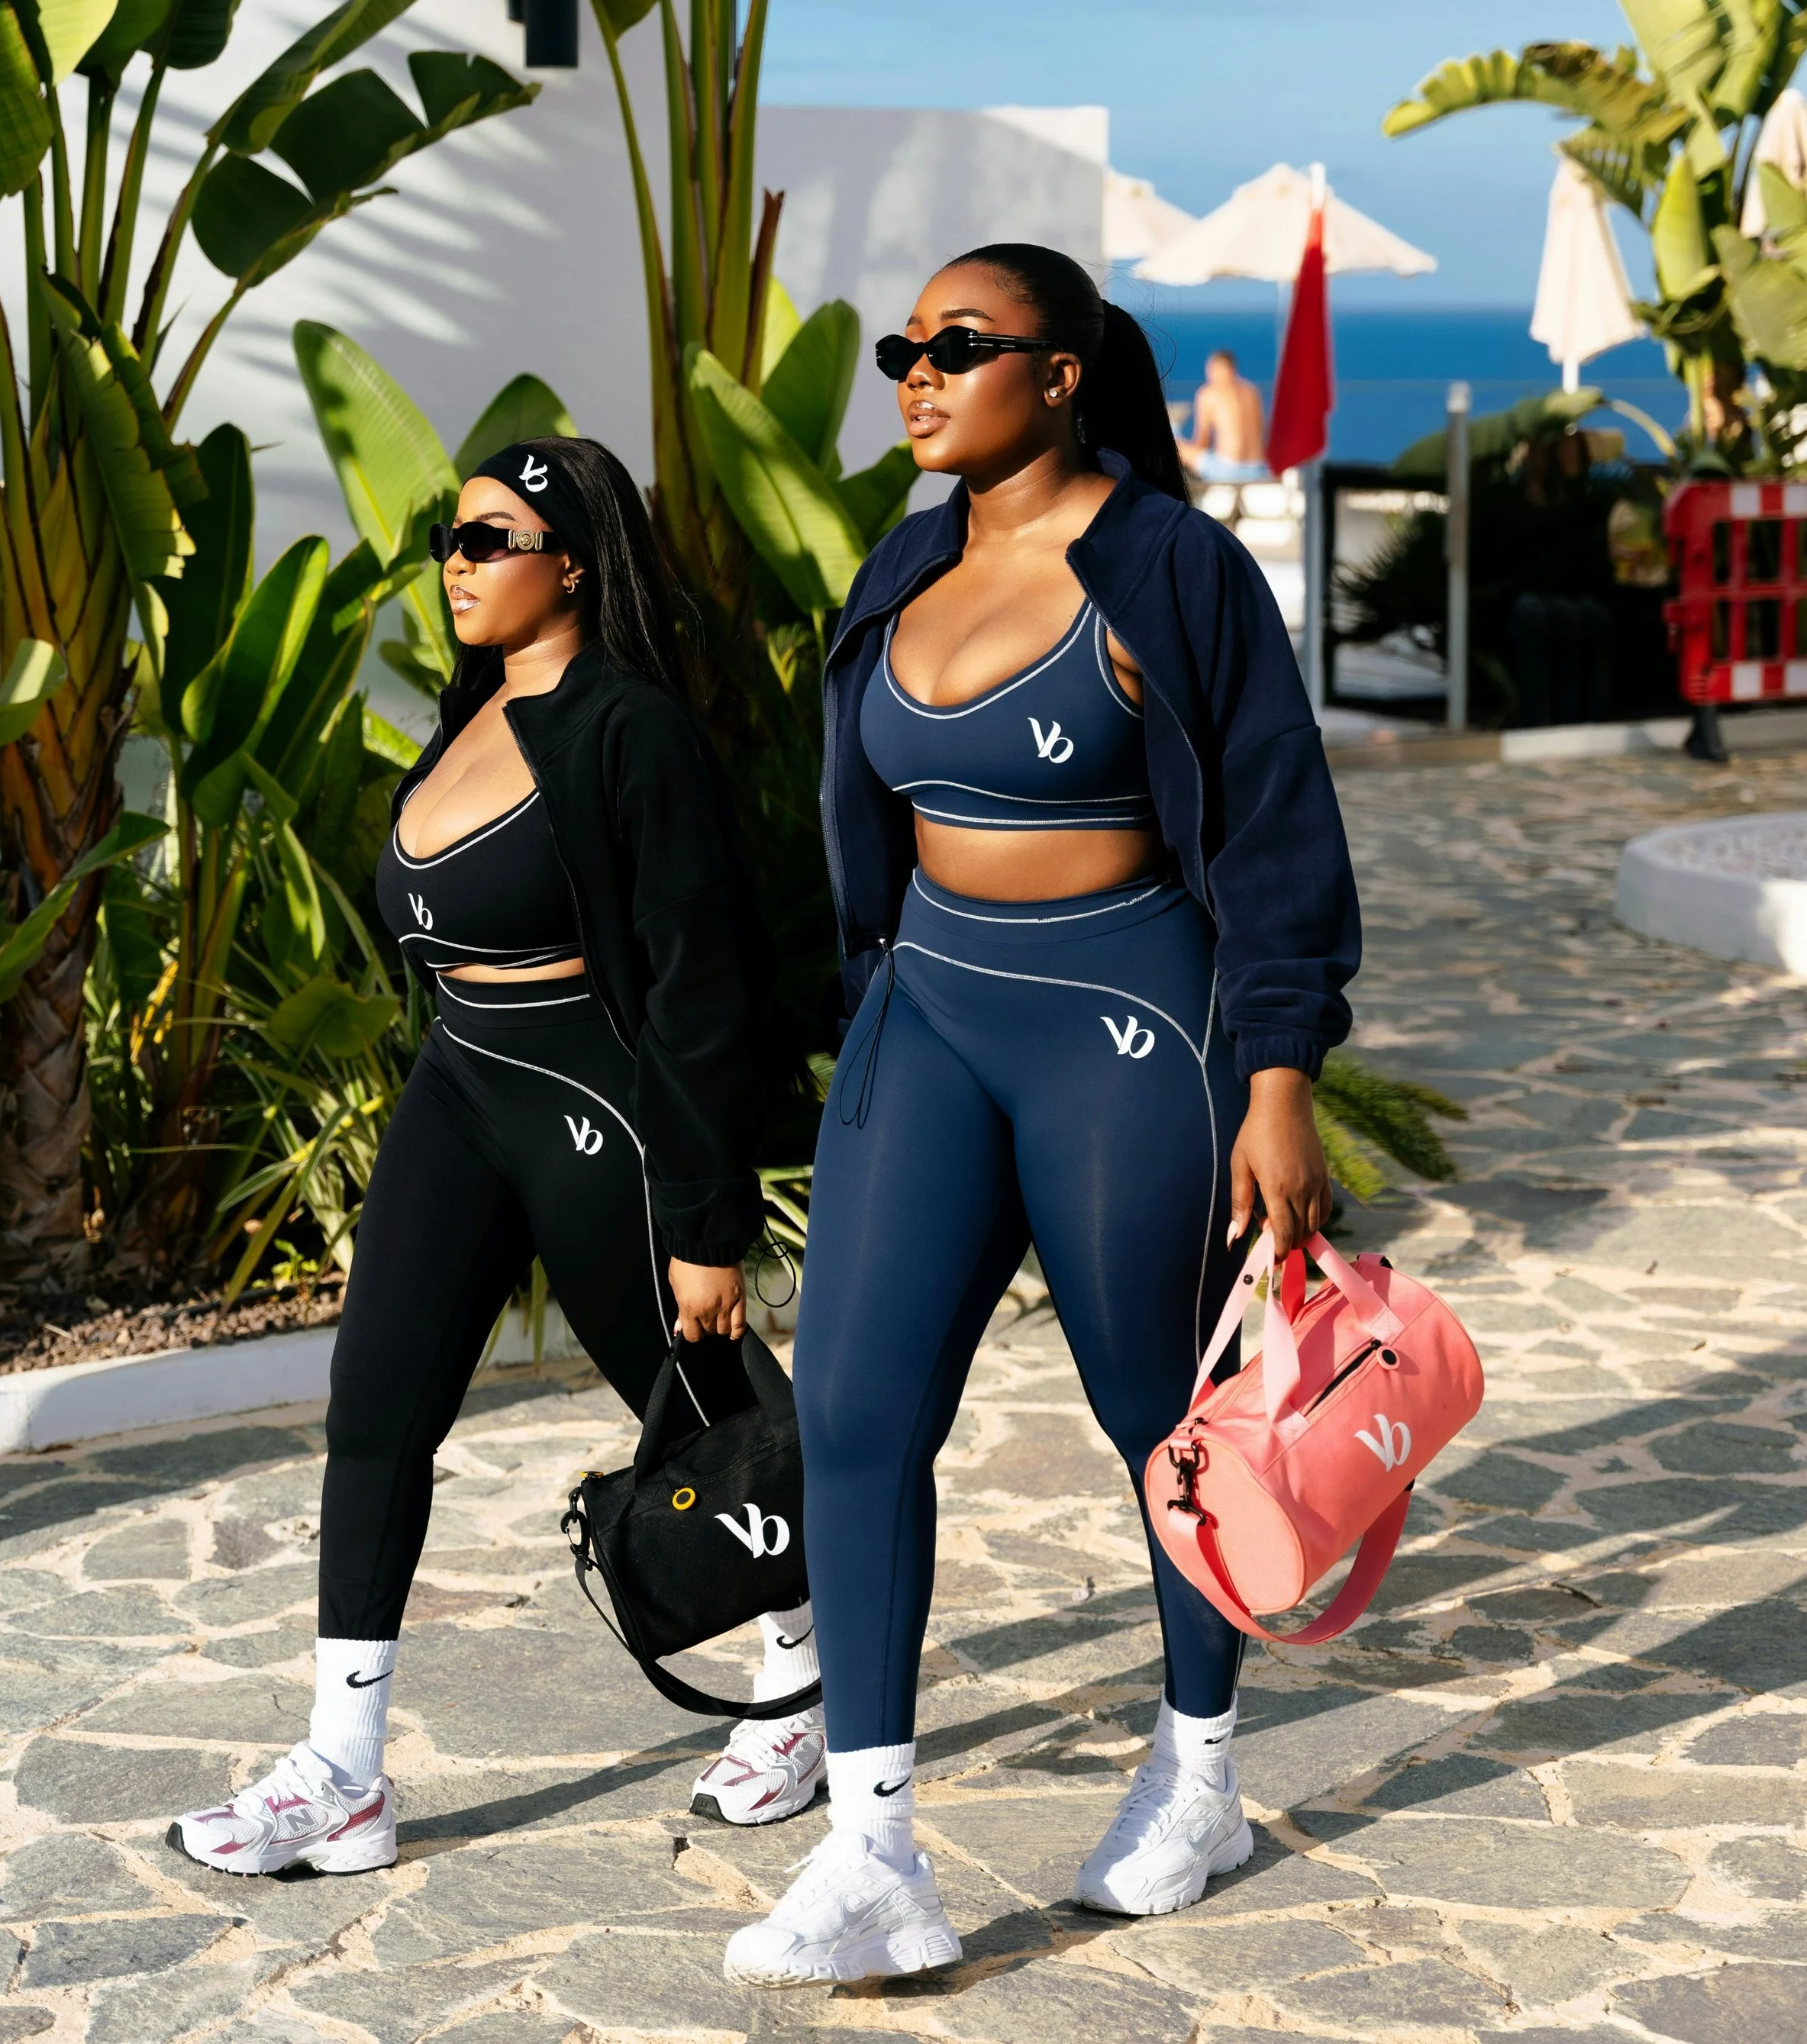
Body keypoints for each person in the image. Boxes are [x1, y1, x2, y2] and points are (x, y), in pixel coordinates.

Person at [724, 247, 1360, 1985]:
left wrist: (1281, 1075)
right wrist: (861, 1013)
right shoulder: (908, 556)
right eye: (900, 350)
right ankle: (871, 1856)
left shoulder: (1168, 565)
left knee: (1160, 1422)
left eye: (957, 347)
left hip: (1121, 1018)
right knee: (848, 1413)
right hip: (925, 1011)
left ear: (1063, 372)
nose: (916, 377)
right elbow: (858, 818)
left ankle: (1203, 1771)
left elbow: (1282, 831)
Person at [170, 438, 821, 1878]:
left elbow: (703, 980)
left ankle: (804, 1680)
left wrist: (708, 1216)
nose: (456, 564)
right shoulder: (470, 712)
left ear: (574, 561)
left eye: (490, 540)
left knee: (709, 1412)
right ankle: (343, 1771)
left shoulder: (627, 726)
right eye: (447, 538)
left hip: (598, 1104)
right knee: (374, 1414)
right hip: (462, 1089)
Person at [1186, 348, 1267, 482]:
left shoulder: (1209, 394)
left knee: (1179, 448)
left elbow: (1202, 441)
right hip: (1258, 468)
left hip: (1229, 470)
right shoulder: (1251, 390)